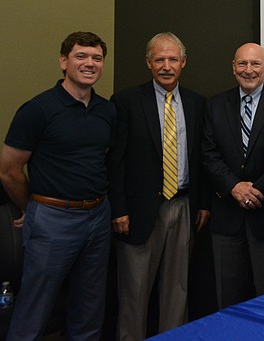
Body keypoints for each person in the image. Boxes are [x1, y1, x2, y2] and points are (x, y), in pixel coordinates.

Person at [0, 32, 115, 341]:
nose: (89, 63)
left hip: (98, 216)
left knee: (90, 309)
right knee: (34, 309)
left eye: (97, 58)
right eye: (81, 56)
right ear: (64, 61)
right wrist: (32, 207)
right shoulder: (38, 109)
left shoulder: (107, 110)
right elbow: (9, 170)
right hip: (53, 220)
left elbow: (99, 158)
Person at [108, 32, 210, 340]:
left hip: (183, 205)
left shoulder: (197, 103)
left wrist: (202, 203)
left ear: (184, 63)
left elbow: (202, 158)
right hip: (138, 211)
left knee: (177, 289)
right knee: (134, 290)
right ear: (148, 63)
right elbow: (116, 162)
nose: (166, 66)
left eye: (173, 59)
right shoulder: (126, 101)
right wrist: (119, 209)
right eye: (159, 60)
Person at [202, 43, 264, 308]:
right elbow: (208, 154)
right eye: (242, 64)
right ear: (233, 67)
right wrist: (234, 187)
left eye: (255, 64)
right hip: (227, 215)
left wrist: (256, 189)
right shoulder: (215, 105)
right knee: (227, 299)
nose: (249, 70)